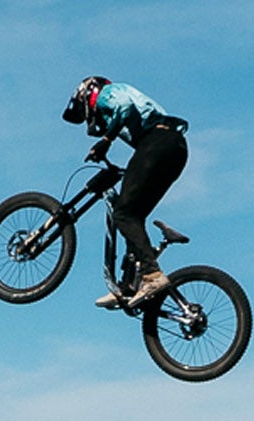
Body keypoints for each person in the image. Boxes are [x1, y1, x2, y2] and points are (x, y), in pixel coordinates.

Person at [63, 75, 187, 309]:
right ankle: (129, 285)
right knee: (132, 215)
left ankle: (151, 275)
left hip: (158, 143)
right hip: (174, 150)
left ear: (88, 94)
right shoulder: (115, 109)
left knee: (122, 214)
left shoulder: (107, 94)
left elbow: (125, 108)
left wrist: (106, 140)